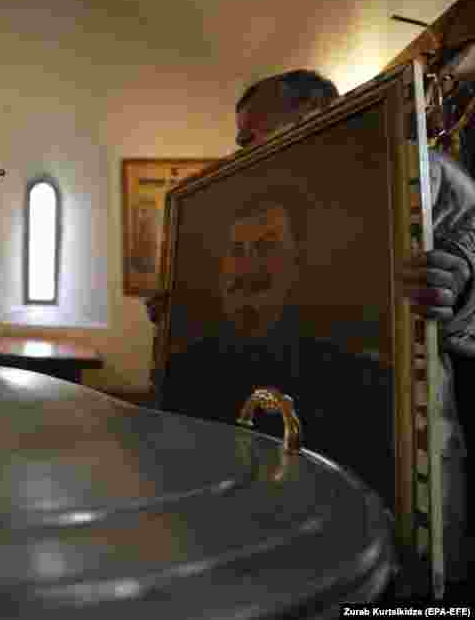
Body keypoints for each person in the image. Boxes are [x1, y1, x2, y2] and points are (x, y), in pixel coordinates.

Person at [147, 68, 475, 580]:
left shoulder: (419, 171)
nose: (239, 151)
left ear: (315, 116)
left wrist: (460, 279)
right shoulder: (248, 200)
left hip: (404, 463)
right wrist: (179, 309)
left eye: (250, 135)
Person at [161, 185, 395, 502]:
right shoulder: (184, 369)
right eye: (237, 251)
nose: (247, 268)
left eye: (266, 248)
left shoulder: (357, 379)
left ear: (297, 264)